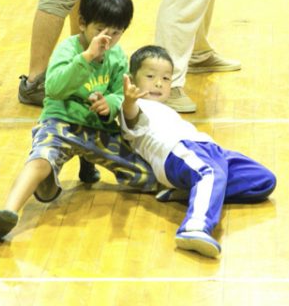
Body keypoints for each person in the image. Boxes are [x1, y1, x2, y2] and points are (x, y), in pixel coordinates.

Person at [0, 0, 157, 242]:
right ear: (82, 23)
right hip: (61, 122)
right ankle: (8, 212)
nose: (107, 39)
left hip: (98, 128)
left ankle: (87, 163)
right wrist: (86, 58)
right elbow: (53, 88)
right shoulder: (69, 49)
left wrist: (110, 104)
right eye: (100, 30)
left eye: (116, 32)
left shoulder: (117, 56)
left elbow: (119, 93)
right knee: (41, 159)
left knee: (146, 176)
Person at [118, 45, 277, 258]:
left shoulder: (165, 109)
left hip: (207, 148)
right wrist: (129, 100)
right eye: (150, 76)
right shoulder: (137, 106)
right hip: (177, 151)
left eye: (166, 78)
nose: (158, 83)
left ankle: (190, 191)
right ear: (132, 79)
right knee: (209, 173)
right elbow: (130, 115)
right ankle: (194, 227)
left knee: (263, 180)